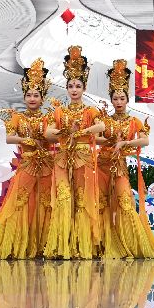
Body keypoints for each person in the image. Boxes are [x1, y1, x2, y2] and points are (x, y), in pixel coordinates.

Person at [0, 60, 58, 259]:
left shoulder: (49, 118)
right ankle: (16, 245)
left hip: (47, 166)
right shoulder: (16, 117)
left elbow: (52, 136)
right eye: (29, 95)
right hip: (27, 164)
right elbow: (9, 138)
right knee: (20, 202)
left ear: (42, 98)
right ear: (24, 97)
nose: (32, 98)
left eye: (36, 95)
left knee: (45, 203)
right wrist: (27, 140)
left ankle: (44, 245)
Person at [43, 46, 106, 259]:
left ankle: (81, 246)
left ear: (84, 88)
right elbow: (47, 133)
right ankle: (61, 246)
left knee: (81, 199)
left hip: (83, 157)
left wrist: (82, 132)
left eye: (78, 86)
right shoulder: (59, 111)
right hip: (62, 158)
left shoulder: (91, 110)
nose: (74, 89)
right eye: (70, 86)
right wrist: (62, 132)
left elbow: (101, 127)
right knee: (63, 197)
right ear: (66, 88)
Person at [98, 59, 154, 258]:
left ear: (127, 100)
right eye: (115, 98)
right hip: (101, 165)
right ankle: (101, 245)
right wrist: (110, 140)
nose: (118, 102)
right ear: (111, 100)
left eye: (122, 98)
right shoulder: (104, 120)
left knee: (125, 201)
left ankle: (130, 245)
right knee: (101, 204)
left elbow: (145, 140)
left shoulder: (134, 121)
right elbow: (94, 138)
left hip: (120, 166)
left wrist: (125, 143)